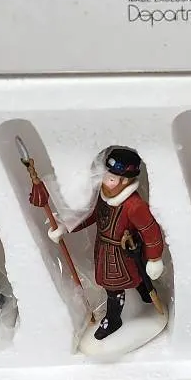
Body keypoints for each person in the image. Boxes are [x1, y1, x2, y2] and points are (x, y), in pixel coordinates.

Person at [47, 146, 166, 340]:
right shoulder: (105, 197)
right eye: (105, 176)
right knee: (135, 276)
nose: (104, 182)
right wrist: (66, 226)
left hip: (123, 253)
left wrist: (155, 258)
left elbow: (150, 231)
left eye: (110, 179)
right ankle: (144, 291)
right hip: (105, 249)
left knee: (115, 287)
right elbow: (92, 216)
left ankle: (113, 319)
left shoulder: (134, 206)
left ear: (125, 181)